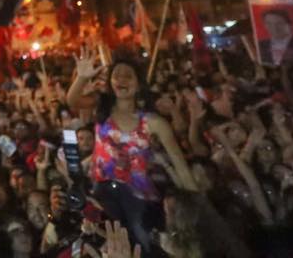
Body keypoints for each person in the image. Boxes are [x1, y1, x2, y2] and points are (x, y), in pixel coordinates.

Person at [67, 52, 197, 255]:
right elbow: (72, 100)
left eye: (128, 75)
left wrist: (197, 200)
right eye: (116, 75)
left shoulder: (154, 122)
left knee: (141, 246)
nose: (121, 79)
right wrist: (82, 77)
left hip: (138, 197)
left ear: (138, 84)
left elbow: (179, 163)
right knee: (109, 245)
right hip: (103, 192)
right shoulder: (102, 110)